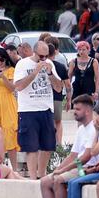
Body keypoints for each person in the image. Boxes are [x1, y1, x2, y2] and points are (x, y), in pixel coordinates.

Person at [34, 95, 99, 198]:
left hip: (87, 170)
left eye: (77, 109)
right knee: (45, 181)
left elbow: (86, 156)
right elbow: (73, 155)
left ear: (87, 111)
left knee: (59, 179)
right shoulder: (81, 129)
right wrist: (58, 168)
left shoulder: (93, 129)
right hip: (79, 167)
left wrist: (63, 170)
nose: (74, 111)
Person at [15, 40, 62, 180]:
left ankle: (42, 175)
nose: (43, 59)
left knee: (48, 145)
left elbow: (59, 88)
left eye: (46, 56)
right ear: (34, 52)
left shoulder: (50, 64)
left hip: (46, 108)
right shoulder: (23, 64)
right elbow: (19, 86)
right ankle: (33, 176)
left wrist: (50, 74)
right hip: (28, 109)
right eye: (41, 56)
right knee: (31, 146)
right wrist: (35, 72)